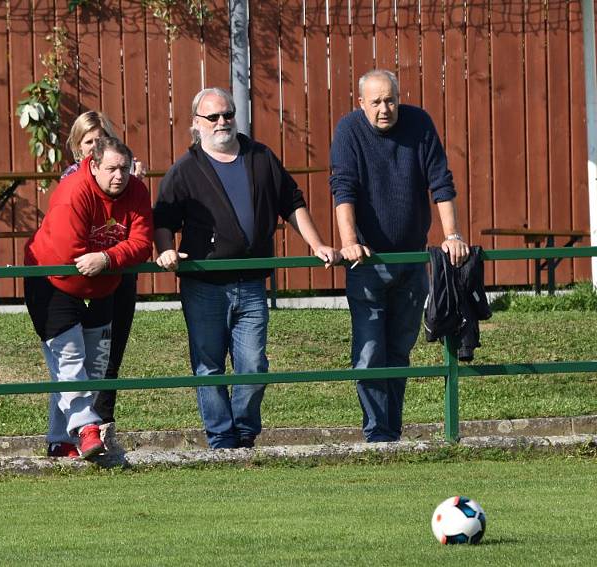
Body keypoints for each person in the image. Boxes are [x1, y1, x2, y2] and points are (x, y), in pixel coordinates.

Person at [154, 87, 341, 449]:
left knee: (253, 366)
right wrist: (166, 251)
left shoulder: (261, 157)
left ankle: (243, 433)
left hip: (252, 283)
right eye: (213, 117)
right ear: (196, 123)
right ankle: (222, 439)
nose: (222, 122)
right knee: (208, 366)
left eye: (228, 114)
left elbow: (293, 202)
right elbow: (162, 217)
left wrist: (317, 245)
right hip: (204, 285)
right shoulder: (185, 170)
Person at [330, 69, 470, 442]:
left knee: (399, 350)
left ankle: (391, 431)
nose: (384, 108)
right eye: (375, 101)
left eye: (390, 99)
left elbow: (440, 181)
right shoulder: (348, 130)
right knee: (370, 351)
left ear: (399, 97)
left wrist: (452, 235)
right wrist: (349, 242)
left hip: (410, 260)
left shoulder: (419, 122)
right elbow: (343, 188)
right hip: (368, 262)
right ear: (361, 103)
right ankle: (378, 433)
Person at [25, 136, 153, 460]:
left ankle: (61, 441)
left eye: (124, 168)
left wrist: (107, 260)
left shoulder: (136, 191)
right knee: (68, 360)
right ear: (93, 165)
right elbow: (71, 253)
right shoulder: (73, 193)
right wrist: (112, 258)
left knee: (93, 367)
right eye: (111, 169)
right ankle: (87, 431)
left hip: (101, 283)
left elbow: (143, 243)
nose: (119, 176)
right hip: (54, 282)